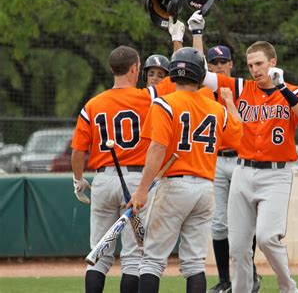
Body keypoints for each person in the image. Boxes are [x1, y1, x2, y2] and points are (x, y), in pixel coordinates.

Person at [127, 47, 242, 293]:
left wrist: (141, 190)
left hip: (174, 186)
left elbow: (157, 148)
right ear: (201, 74)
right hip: (205, 189)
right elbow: (238, 136)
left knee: (152, 259)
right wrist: (231, 104)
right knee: (194, 263)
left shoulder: (165, 103)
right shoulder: (215, 107)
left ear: (172, 74)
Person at [201, 40, 298, 293]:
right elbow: (201, 74)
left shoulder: (293, 91)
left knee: (266, 238)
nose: (255, 69)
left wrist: (282, 87)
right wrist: (194, 33)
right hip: (243, 170)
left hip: (276, 174)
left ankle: (288, 288)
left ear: (273, 62)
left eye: (260, 63)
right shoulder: (242, 87)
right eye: (251, 64)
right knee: (238, 246)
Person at [71, 45, 158, 293]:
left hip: (103, 180)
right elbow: (177, 79)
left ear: (112, 69)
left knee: (99, 254)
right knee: (133, 256)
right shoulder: (148, 97)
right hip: (137, 182)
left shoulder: (92, 104)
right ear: (134, 68)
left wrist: (78, 181)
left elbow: (78, 152)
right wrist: (176, 37)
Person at [206, 45, 261, 293]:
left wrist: (229, 103)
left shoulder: (241, 88)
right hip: (216, 160)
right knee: (219, 223)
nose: (218, 65)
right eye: (213, 62)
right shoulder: (203, 91)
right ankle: (225, 280)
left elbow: (244, 125)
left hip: (241, 158)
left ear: (230, 64)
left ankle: (249, 274)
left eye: (222, 61)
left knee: (247, 221)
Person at [143, 17, 185, 87]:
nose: (155, 78)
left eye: (160, 76)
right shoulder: (139, 95)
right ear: (145, 77)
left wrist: (177, 39)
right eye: (151, 74)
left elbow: (179, 68)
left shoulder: (170, 96)